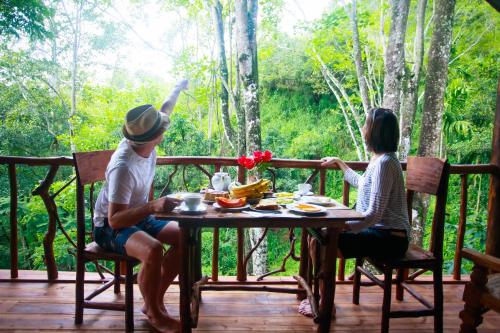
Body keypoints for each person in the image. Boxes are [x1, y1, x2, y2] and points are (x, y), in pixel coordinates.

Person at [93, 79, 188, 333]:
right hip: (109, 227)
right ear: (156, 136)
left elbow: (165, 109)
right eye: (162, 129)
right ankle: (155, 313)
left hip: (137, 216)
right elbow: (114, 220)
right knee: (153, 249)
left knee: (185, 236)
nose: (164, 129)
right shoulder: (124, 166)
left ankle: (153, 300)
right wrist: (153, 205)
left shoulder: (145, 140)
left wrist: (178, 88)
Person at [299, 107, 410, 317]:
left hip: (391, 238)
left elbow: (374, 214)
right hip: (381, 232)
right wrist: (341, 163)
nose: (363, 127)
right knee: (318, 238)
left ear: (375, 131)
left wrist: (342, 227)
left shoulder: (385, 163)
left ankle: (326, 306)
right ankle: (323, 299)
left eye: (366, 124)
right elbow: (362, 183)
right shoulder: (379, 160)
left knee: (324, 242)